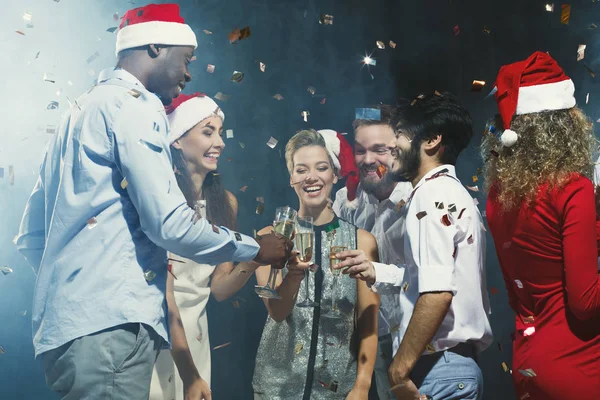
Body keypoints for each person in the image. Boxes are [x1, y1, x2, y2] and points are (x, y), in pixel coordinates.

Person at [14, 4, 291, 399]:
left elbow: (30, 236)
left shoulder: (76, 112)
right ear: (156, 46)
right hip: (113, 329)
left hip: (64, 335)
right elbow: (169, 225)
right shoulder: (134, 104)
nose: (189, 72)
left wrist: (74, 290)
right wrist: (253, 248)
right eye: (187, 59)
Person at [337, 92, 493, 399]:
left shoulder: (428, 195)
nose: (394, 145)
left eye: (401, 135)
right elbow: (433, 279)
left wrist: (398, 372)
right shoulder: (451, 191)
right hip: (452, 366)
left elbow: (437, 293)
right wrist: (377, 271)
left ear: (432, 140)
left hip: (437, 368)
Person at [483, 51, 600, 399]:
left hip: (528, 361)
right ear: (563, 126)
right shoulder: (571, 188)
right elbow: (584, 300)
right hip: (579, 361)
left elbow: (522, 285)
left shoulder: (496, 194)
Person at [148, 93, 264, 399]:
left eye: (221, 133)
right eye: (207, 132)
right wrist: (189, 374)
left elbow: (219, 289)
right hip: (160, 335)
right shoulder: (160, 201)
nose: (220, 142)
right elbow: (164, 296)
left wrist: (257, 258)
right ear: (176, 139)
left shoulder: (226, 203)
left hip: (197, 336)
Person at [252, 129, 381, 399]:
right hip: (277, 387)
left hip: (337, 388)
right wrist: (294, 274)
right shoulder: (268, 238)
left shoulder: (361, 241)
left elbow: (367, 321)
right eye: (301, 170)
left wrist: (362, 386)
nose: (311, 177)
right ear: (291, 179)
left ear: (334, 175)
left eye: (321, 168)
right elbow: (277, 311)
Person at [333, 104, 413, 400]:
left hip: (418, 344)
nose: (368, 160)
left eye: (379, 149)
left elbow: (437, 280)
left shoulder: (420, 199)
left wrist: (375, 271)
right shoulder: (344, 202)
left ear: (400, 149)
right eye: (360, 150)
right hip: (370, 344)